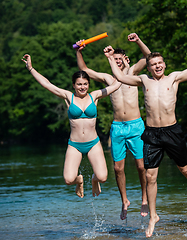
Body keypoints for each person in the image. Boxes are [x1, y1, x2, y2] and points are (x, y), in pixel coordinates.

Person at [104, 32, 187, 238]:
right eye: (154, 64)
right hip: (152, 134)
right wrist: (111, 58)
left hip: (172, 131)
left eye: (160, 63)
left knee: (185, 170)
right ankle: (153, 215)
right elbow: (119, 77)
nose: (158, 66)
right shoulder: (143, 80)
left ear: (164, 64)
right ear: (148, 66)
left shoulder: (174, 78)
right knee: (150, 175)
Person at [21, 54, 121, 199]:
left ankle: (94, 179)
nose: (82, 87)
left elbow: (117, 84)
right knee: (69, 179)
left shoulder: (95, 96)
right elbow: (47, 84)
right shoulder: (69, 97)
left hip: (93, 143)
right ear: (74, 85)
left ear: (89, 84)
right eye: (79, 84)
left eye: (85, 84)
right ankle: (79, 180)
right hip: (75, 144)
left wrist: (119, 64)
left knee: (103, 177)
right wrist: (30, 68)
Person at [75, 33, 150, 220]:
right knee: (118, 169)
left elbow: (148, 57)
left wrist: (138, 41)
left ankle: (144, 198)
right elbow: (84, 69)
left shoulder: (132, 73)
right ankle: (124, 200)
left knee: (141, 166)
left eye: (119, 58)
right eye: (113, 59)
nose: (117, 61)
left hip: (136, 126)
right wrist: (79, 51)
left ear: (126, 59)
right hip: (118, 127)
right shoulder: (109, 78)